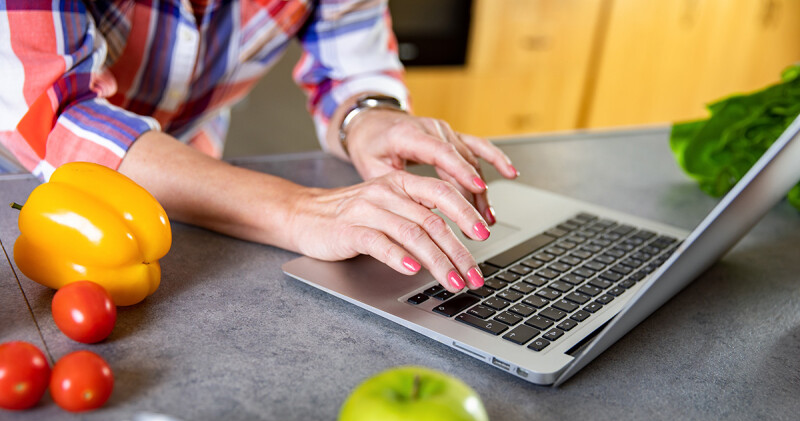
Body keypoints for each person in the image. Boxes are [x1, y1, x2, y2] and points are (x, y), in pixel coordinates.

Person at [0, 1, 518, 294]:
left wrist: (369, 118)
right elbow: (57, 110)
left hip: (196, 182)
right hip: (23, 182)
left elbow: (349, 61)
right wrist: (295, 209)